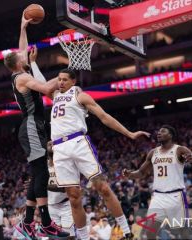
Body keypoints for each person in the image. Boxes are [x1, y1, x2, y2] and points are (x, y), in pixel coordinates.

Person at [49, 69, 150, 240]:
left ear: (73, 81)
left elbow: (104, 116)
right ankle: (83, 237)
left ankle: (126, 230)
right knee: (73, 197)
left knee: (102, 187)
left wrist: (129, 133)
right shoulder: (54, 95)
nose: (61, 82)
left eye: (65, 79)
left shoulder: (81, 96)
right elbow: (39, 83)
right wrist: (34, 63)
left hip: (78, 143)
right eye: (59, 79)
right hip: (59, 149)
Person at [3, 14, 68, 239]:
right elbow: (45, 88)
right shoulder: (21, 78)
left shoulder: (20, 70)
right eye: (22, 57)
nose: (25, 54)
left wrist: (23, 26)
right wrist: (65, 74)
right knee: (41, 172)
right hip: (31, 126)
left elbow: (22, 47)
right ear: (18, 63)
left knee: (37, 172)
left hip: (35, 126)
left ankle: (28, 222)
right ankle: (47, 223)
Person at [123, 125, 192, 239]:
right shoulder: (153, 152)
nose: (159, 133)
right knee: (149, 232)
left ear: (170, 135)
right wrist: (130, 174)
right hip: (158, 197)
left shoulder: (179, 149)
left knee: (182, 231)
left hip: (176, 196)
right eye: (158, 131)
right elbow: (141, 172)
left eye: (163, 131)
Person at [46, 141, 75, 239]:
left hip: (65, 205)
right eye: (48, 144)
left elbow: (63, 188)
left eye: (53, 143)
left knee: (69, 236)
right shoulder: (42, 165)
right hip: (50, 205)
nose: (51, 145)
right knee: (53, 237)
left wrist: (42, 185)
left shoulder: (63, 163)